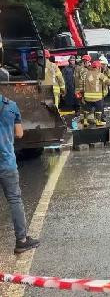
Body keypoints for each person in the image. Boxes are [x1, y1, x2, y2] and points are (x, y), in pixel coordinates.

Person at [0, 94, 40, 253]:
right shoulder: (11, 106)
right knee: (14, 199)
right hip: (6, 162)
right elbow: (19, 133)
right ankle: (22, 240)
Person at [80, 60, 110, 128]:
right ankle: (98, 121)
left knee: (87, 109)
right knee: (99, 109)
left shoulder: (86, 74)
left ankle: (85, 121)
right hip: (97, 97)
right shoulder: (99, 74)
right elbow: (108, 81)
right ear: (98, 67)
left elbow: (81, 84)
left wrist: (82, 95)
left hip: (87, 97)